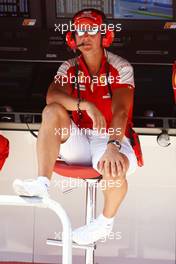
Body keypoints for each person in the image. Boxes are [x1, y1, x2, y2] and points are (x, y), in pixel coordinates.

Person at [13, 8, 142, 245]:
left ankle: (104, 223)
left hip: (111, 138)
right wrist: (85, 105)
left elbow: (121, 112)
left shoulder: (121, 67)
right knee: (51, 111)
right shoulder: (69, 67)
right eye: (80, 31)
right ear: (72, 37)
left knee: (113, 167)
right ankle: (42, 183)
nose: (85, 36)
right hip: (80, 140)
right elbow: (53, 96)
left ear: (105, 35)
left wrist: (113, 146)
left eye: (92, 30)